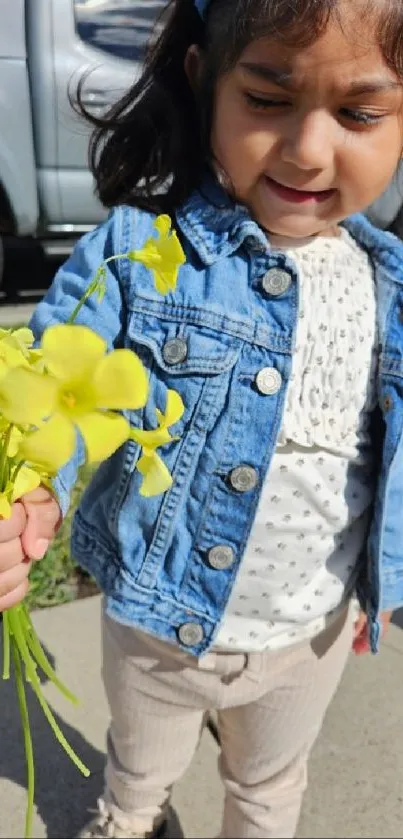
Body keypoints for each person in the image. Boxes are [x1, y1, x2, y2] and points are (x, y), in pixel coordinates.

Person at [1, 0, 403, 835]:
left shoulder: (389, 286)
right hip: (156, 625)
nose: (306, 148)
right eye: (265, 99)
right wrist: (33, 492)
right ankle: (130, 813)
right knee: (140, 763)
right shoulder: (138, 251)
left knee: (268, 785)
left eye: (359, 113)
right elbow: (57, 381)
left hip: (313, 630)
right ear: (203, 82)